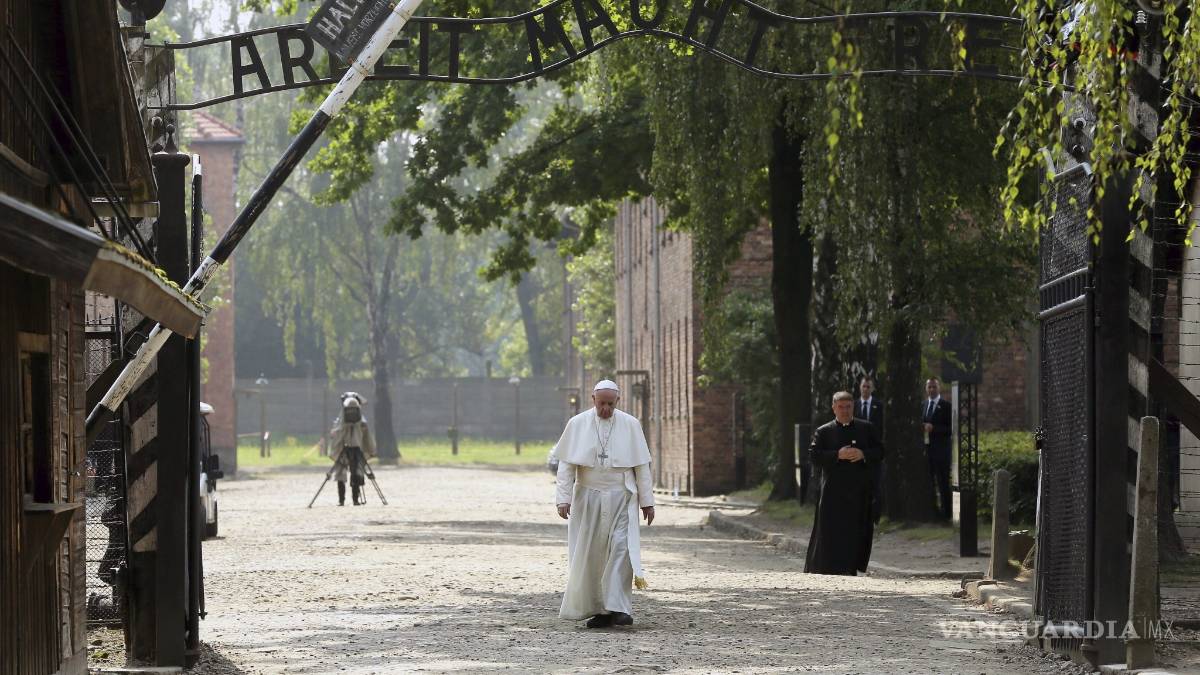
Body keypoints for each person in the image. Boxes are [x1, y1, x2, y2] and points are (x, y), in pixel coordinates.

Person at [554, 380, 655, 628]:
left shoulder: (631, 424)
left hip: (622, 497)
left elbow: (642, 467)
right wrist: (563, 498)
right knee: (592, 555)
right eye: (602, 404)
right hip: (588, 498)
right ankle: (599, 610)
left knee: (622, 549)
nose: (606, 409)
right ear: (593, 400)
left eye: (611, 404)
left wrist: (647, 502)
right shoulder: (577, 424)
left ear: (618, 401)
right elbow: (566, 466)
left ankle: (619, 608)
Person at [804, 390, 884, 576]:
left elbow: (880, 451)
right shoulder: (824, 431)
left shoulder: (866, 428)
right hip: (833, 491)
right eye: (841, 407)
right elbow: (814, 456)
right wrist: (837, 455)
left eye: (848, 407)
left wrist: (863, 454)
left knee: (855, 530)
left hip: (859, 490)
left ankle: (851, 566)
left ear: (853, 407)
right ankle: (827, 566)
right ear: (834, 408)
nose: (845, 411)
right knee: (830, 530)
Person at [328, 392, 376, 506]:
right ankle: (352, 500)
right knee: (347, 473)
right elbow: (366, 436)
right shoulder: (358, 420)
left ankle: (344, 500)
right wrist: (371, 450)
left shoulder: (346, 419)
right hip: (352, 449)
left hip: (351, 449)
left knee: (352, 473)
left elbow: (337, 433)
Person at [922, 377, 953, 521]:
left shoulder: (946, 406)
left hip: (942, 451)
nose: (931, 389)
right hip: (927, 450)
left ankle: (946, 513)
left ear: (939, 388)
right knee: (929, 482)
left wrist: (934, 428)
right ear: (926, 388)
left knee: (943, 482)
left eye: (934, 387)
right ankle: (932, 511)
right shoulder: (923, 405)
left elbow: (950, 429)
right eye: (929, 387)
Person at [857, 376, 886, 523]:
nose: (866, 389)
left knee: (876, 485)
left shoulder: (879, 406)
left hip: (874, 452)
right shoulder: (854, 405)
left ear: (872, 389)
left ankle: (876, 517)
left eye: (868, 387)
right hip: (857, 451)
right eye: (864, 386)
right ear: (860, 387)